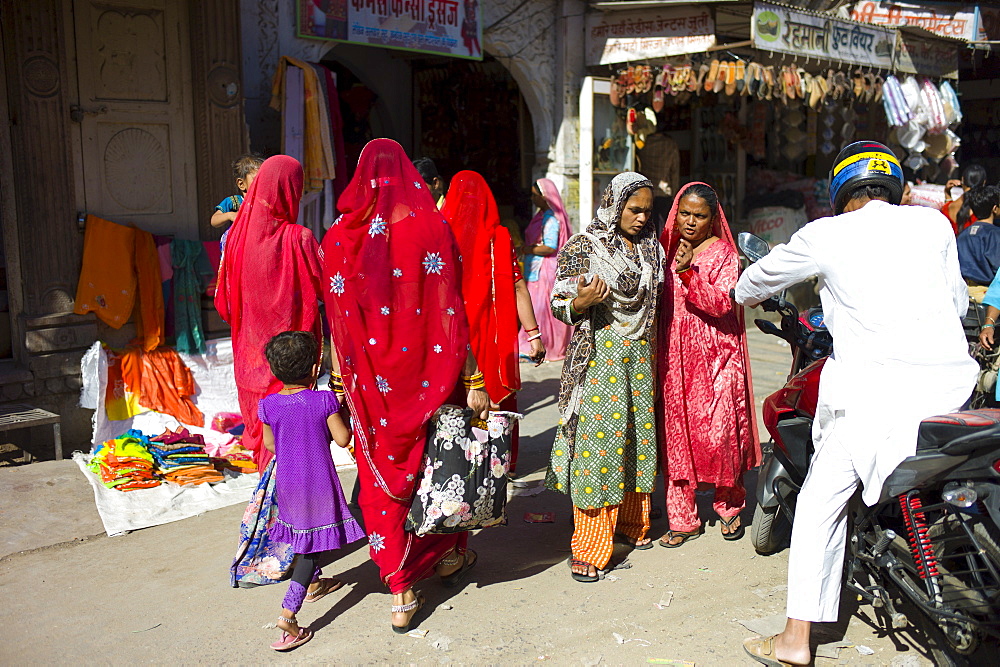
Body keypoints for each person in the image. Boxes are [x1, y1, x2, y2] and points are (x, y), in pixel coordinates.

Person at [735, 141, 977, 666]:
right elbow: (957, 301)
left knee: (821, 504)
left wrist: (745, 283)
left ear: (841, 189)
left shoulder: (825, 234)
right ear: (892, 185)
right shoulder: (933, 224)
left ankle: (796, 639)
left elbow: (752, 284)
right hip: (952, 389)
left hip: (874, 397)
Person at [320, 139, 489, 633]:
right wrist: (473, 376)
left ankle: (400, 590)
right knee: (440, 470)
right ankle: (446, 557)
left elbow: (337, 323)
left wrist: (338, 385)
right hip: (429, 378)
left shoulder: (338, 238)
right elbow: (451, 310)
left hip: (372, 389)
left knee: (382, 484)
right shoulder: (432, 229)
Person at [546, 172, 665, 582]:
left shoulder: (651, 248)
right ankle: (590, 547)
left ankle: (631, 526)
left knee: (636, 443)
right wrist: (582, 300)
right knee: (599, 456)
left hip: (639, 360)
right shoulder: (586, 246)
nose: (640, 217)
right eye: (634, 209)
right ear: (615, 205)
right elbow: (558, 305)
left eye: (647, 210)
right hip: (601, 362)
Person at [657, 182, 759, 547]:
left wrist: (688, 274)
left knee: (721, 435)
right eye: (684, 213)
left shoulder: (724, 255)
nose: (690, 222)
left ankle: (729, 506)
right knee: (677, 436)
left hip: (717, 359)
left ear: (713, 219)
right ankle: (683, 518)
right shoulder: (665, 252)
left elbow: (721, 305)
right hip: (675, 358)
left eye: (699, 216)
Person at [214, 155, 324, 472]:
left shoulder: (234, 238)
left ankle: (269, 504)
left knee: (266, 444)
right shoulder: (299, 238)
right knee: (293, 452)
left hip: (249, 361)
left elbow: (223, 301)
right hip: (292, 364)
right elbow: (328, 288)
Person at [259, 331, 364, 652]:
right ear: (315, 366)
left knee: (304, 537)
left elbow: (269, 444)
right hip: (317, 484)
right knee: (309, 549)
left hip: (288, 483)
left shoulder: (268, 405)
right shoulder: (323, 400)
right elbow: (344, 439)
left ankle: (315, 583)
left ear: (275, 370)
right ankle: (288, 615)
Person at [442, 170, 544, 476]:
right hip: (492, 336)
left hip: (452, 334)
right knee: (495, 392)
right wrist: (534, 334)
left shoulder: (440, 232)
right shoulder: (499, 237)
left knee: (456, 394)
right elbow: (517, 286)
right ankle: (499, 465)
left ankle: (457, 463)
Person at [518, 179, 574, 362]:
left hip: (545, 270)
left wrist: (525, 249)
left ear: (545, 197)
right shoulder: (540, 217)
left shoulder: (551, 219)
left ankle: (546, 346)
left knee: (541, 309)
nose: (533, 199)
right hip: (536, 268)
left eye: (536, 195)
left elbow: (550, 247)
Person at [211, 154, 264, 253]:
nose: (262, 184)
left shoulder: (265, 203)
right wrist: (230, 215)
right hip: (237, 249)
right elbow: (214, 221)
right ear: (241, 184)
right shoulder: (234, 201)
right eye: (257, 180)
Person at [956, 184, 1000, 301]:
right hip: (987, 295)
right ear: (995, 208)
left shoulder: (964, 233)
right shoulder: (995, 234)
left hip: (965, 293)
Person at [941, 164, 987, 235]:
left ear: (962, 179)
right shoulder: (983, 209)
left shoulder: (947, 207)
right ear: (984, 182)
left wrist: (947, 193)